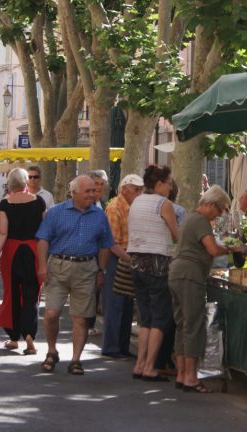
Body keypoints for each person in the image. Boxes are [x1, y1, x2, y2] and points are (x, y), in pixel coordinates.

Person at [35, 175, 115, 375]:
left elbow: (106, 245)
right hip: (59, 266)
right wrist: (42, 266)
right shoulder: (56, 213)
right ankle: (52, 351)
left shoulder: (99, 216)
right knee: (52, 313)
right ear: (74, 193)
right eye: (87, 191)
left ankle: (76, 360)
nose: (92, 194)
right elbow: (43, 240)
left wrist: (101, 270)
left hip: (87, 268)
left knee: (81, 318)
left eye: (94, 191)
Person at [169, 185, 238, 393]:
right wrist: (231, 248)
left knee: (182, 325)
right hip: (190, 274)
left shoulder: (189, 218)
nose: (219, 214)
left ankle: (181, 374)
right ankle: (191, 376)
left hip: (177, 273)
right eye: (219, 209)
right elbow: (213, 249)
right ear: (209, 204)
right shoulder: (201, 221)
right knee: (194, 325)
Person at [128, 165, 179, 381]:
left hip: (136, 262)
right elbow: (177, 235)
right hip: (157, 263)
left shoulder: (136, 201)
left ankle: (139, 364)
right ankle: (150, 366)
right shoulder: (164, 204)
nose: (170, 187)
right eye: (168, 183)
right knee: (160, 318)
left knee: (145, 318)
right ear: (159, 184)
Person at [0, 168, 46, 354]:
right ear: (26, 182)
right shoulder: (39, 202)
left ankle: (13, 338)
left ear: (10, 183)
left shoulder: (4, 204)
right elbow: (45, 231)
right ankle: (29, 336)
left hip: (12, 253)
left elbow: (2, 232)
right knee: (32, 294)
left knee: (11, 294)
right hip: (33, 251)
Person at [100, 174, 143, 359]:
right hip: (118, 258)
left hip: (127, 256)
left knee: (126, 305)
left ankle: (123, 346)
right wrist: (129, 259)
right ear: (125, 189)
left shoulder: (133, 207)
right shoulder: (114, 208)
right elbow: (111, 242)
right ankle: (111, 347)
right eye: (136, 190)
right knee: (115, 304)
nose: (139, 193)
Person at [85, 169, 109, 336]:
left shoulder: (105, 204)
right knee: (89, 291)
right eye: (96, 183)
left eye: (102, 184)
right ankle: (86, 324)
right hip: (89, 253)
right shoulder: (86, 204)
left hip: (103, 251)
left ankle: (90, 323)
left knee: (97, 290)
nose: (99, 187)